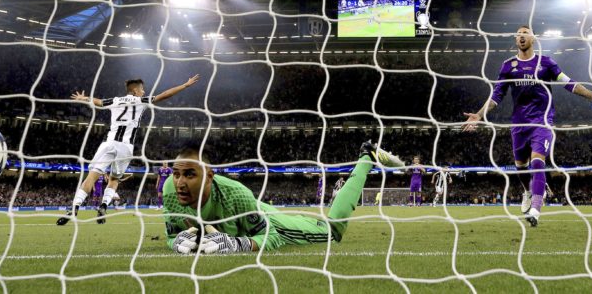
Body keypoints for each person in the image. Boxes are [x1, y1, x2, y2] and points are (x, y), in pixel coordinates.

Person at [462, 25, 592, 226]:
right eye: (518, 34)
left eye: (525, 33)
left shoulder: (546, 63)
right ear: (515, 40)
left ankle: (536, 209)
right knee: (520, 166)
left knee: (537, 162)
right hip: (519, 124)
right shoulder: (508, 66)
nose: (521, 36)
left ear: (533, 38)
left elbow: (568, 82)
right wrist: (479, 114)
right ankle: (527, 191)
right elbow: (497, 95)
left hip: (542, 122)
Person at [163, 141, 404, 254]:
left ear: (208, 176)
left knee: (332, 231)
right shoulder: (170, 192)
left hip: (269, 222)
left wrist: (238, 244)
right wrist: (174, 242)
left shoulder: (236, 193)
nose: (180, 183)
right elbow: (172, 236)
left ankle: (366, 156)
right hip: (251, 211)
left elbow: (271, 236)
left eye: (189, 174)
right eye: (176, 174)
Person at [57, 74, 200, 226]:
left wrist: (84, 98)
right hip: (126, 147)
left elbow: (98, 102)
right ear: (135, 91)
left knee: (91, 177)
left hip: (108, 144)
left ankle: (74, 208)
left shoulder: (115, 100)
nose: (144, 92)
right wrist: (185, 85)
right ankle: (103, 206)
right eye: (142, 90)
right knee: (114, 179)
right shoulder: (141, 101)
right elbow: (164, 95)